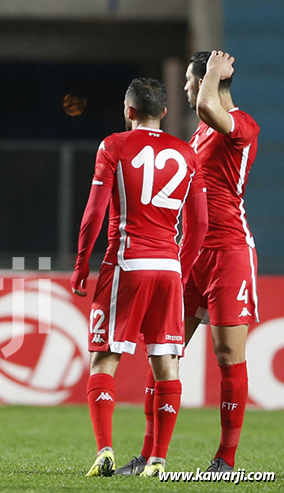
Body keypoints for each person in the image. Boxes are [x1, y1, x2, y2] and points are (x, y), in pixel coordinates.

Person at [117, 51, 260, 476]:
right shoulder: (200, 132)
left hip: (230, 252)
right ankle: (149, 454)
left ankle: (226, 459)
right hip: (190, 253)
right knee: (164, 348)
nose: (183, 88)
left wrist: (214, 73)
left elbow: (204, 104)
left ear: (207, 82)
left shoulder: (241, 126)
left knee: (227, 353)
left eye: (188, 80)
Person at [70, 78, 208, 478]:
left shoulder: (114, 145)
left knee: (105, 358)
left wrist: (81, 264)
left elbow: (95, 212)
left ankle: (105, 451)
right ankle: (158, 460)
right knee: (166, 362)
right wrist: (180, 263)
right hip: (169, 267)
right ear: (164, 113)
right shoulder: (187, 153)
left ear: (128, 111)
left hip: (127, 262)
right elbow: (198, 226)